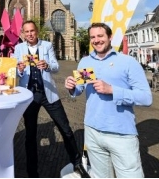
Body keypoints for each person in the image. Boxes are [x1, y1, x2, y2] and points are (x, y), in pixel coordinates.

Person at [65, 22, 152, 178]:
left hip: (121, 133)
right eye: (92, 37)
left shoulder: (127, 62)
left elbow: (145, 97)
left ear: (110, 37)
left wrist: (112, 90)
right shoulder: (85, 62)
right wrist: (71, 87)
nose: (96, 40)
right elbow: (79, 89)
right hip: (92, 131)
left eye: (100, 36)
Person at [14, 20, 87, 178]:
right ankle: (32, 172)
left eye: (32, 31)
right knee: (30, 135)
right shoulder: (18, 48)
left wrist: (47, 65)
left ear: (37, 31)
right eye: (26, 32)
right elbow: (14, 71)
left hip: (48, 93)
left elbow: (56, 66)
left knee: (65, 128)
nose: (30, 34)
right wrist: (19, 70)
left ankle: (77, 163)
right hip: (29, 95)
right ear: (23, 33)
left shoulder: (46, 45)